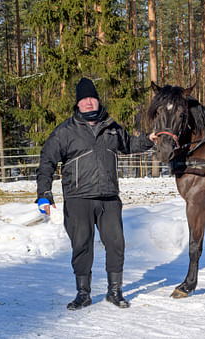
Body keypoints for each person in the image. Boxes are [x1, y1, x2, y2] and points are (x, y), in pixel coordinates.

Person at [36, 77, 157, 310]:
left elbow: (129, 144)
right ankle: (83, 293)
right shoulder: (65, 132)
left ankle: (115, 292)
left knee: (116, 244)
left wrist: (148, 140)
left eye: (92, 98)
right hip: (78, 198)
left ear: (98, 100)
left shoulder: (111, 127)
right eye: (84, 99)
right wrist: (44, 193)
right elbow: (46, 162)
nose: (89, 103)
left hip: (109, 198)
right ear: (78, 104)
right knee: (82, 245)